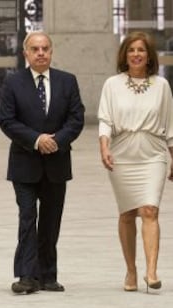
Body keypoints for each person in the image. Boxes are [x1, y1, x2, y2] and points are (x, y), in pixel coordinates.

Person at [0, 31, 84, 294]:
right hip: (25, 162)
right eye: (35, 49)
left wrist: (56, 140)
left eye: (45, 48)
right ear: (26, 53)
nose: (40, 53)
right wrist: (37, 139)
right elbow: (7, 120)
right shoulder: (13, 83)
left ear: (51, 51)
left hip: (57, 163)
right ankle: (26, 275)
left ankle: (47, 275)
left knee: (50, 220)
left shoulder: (67, 81)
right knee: (27, 217)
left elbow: (76, 118)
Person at [98, 31, 173, 293]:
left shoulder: (161, 86)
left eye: (141, 50)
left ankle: (151, 272)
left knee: (150, 210)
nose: (136, 54)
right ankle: (131, 270)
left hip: (153, 152)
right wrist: (104, 147)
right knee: (128, 213)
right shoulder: (112, 84)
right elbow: (105, 120)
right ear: (124, 55)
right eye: (131, 50)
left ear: (149, 55)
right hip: (122, 153)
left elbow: (170, 123)